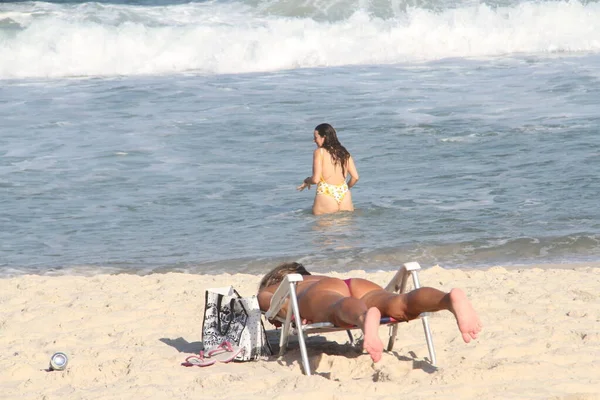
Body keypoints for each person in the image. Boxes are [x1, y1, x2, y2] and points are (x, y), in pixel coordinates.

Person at [258, 262, 482, 363]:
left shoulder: (277, 288)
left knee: (338, 306)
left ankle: (365, 318)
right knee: (399, 303)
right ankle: (447, 299)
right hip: (355, 283)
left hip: (320, 294)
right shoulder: (318, 277)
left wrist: (293, 312)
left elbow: (271, 304)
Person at [297, 123, 359, 215]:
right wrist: (344, 188)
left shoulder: (319, 152)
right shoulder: (344, 152)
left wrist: (306, 181)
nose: (314, 141)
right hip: (344, 194)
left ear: (324, 137)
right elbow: (355, 177)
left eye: (316, 137)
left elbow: (315, 179)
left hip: (326, 194)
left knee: (320, 228)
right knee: (345, 228)